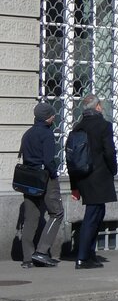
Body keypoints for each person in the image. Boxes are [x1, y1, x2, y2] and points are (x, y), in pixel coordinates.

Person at [68, 94, 118, 269]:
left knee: (98, 214)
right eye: (100, 106)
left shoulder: (78, 127)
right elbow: (109, 152)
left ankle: (90, 254)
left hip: (83, 178)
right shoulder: (104, 126)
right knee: (92, 216)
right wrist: (114, 170)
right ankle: (82, 257)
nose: (102, 108)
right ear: (97, 107)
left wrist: (75, 185)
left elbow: (71, 158)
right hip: (99, 177)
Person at [18, 101, 64, 269]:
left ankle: (27, 258)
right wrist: (54, 174)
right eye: (52, 115)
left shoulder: (28, 133)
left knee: (31, 217)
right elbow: (48, 160)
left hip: (28, 178)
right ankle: (42, 252)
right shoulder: (47, 134)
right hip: (45, 177)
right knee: (57, 213)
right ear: (47, 117)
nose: (54, 117)